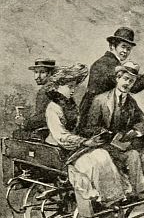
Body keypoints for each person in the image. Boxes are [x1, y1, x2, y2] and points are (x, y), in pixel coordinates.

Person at [44, 64, 130, 207]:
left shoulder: (69, 105)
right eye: (70, 87)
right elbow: (61, 136)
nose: (73, 90)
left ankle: (113, 197)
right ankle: (102, 200)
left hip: (76, 147)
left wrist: (94, 135)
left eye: (74, 86)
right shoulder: (53, 108)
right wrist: (85, 142)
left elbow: (77, 129)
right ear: (58, 86)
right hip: (62, 150)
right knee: (92, 164)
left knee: (103, 155)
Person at [82, 61, 144, 204]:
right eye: (125, 79)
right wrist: (106, 134)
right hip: (101, 146)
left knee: (140, 154)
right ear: (117, 78)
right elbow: (88, 127)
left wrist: (136, 131)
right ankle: (133, 192)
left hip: (121, 146)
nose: (127, 83)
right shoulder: (100, 100)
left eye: (131, 81)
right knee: (131, 155)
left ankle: (139, 192)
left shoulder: (130, 102)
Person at [79, 27, 144, 130]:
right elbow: (133, 87)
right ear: (112, 46)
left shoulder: (111, 63)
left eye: (128, 49)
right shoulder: (106, 63)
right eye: (123, 47)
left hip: (109, 110)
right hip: (95, 114)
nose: (125, 51)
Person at [14, 58, 57, 136]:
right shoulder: (57, 87)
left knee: (17, 134)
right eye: (36, 72)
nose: (37, 77)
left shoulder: (46, 91)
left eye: (42, 72)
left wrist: (24, 122)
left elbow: (45, 116)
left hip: (50, 133)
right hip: (53, 130)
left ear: (52, 73)